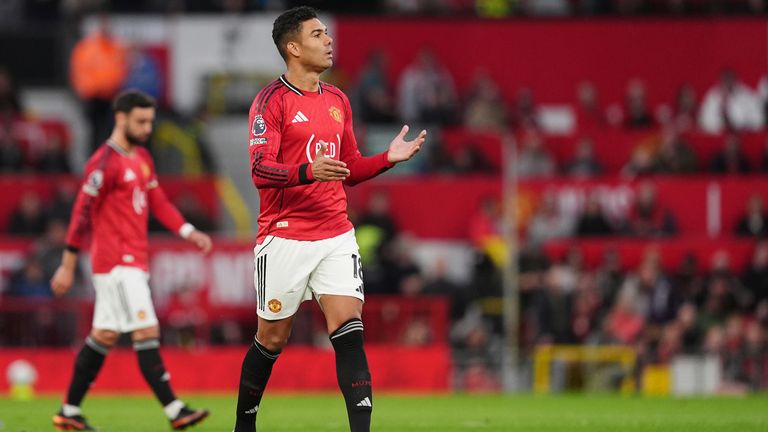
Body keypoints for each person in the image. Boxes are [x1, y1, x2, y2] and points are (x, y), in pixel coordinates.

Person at [234, 7, 426, 432]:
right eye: (318, 34)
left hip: (335, 233)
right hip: (285, 236)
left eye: (327, 33)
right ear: (293, 47)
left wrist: (387, 160)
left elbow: (350, 167)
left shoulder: (338, 99)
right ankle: (243, 426)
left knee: (349, 328)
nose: (328, 40)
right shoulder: (271, 101)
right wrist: (307, 171)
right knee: (272, 340)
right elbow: (260, 171)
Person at [49, 90, 213, 431]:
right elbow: (81, 212)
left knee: (104, 337)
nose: (147, 128)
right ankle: (174, 410)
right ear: (120, 118)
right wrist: (67, 263)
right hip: (116, 263)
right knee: (146, 330)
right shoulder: (104, 162)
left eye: (150, 121)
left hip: (132, 260)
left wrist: (188, 231)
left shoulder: (141, 158)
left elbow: (159, 201)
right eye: (141, 121)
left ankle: (68, 411)